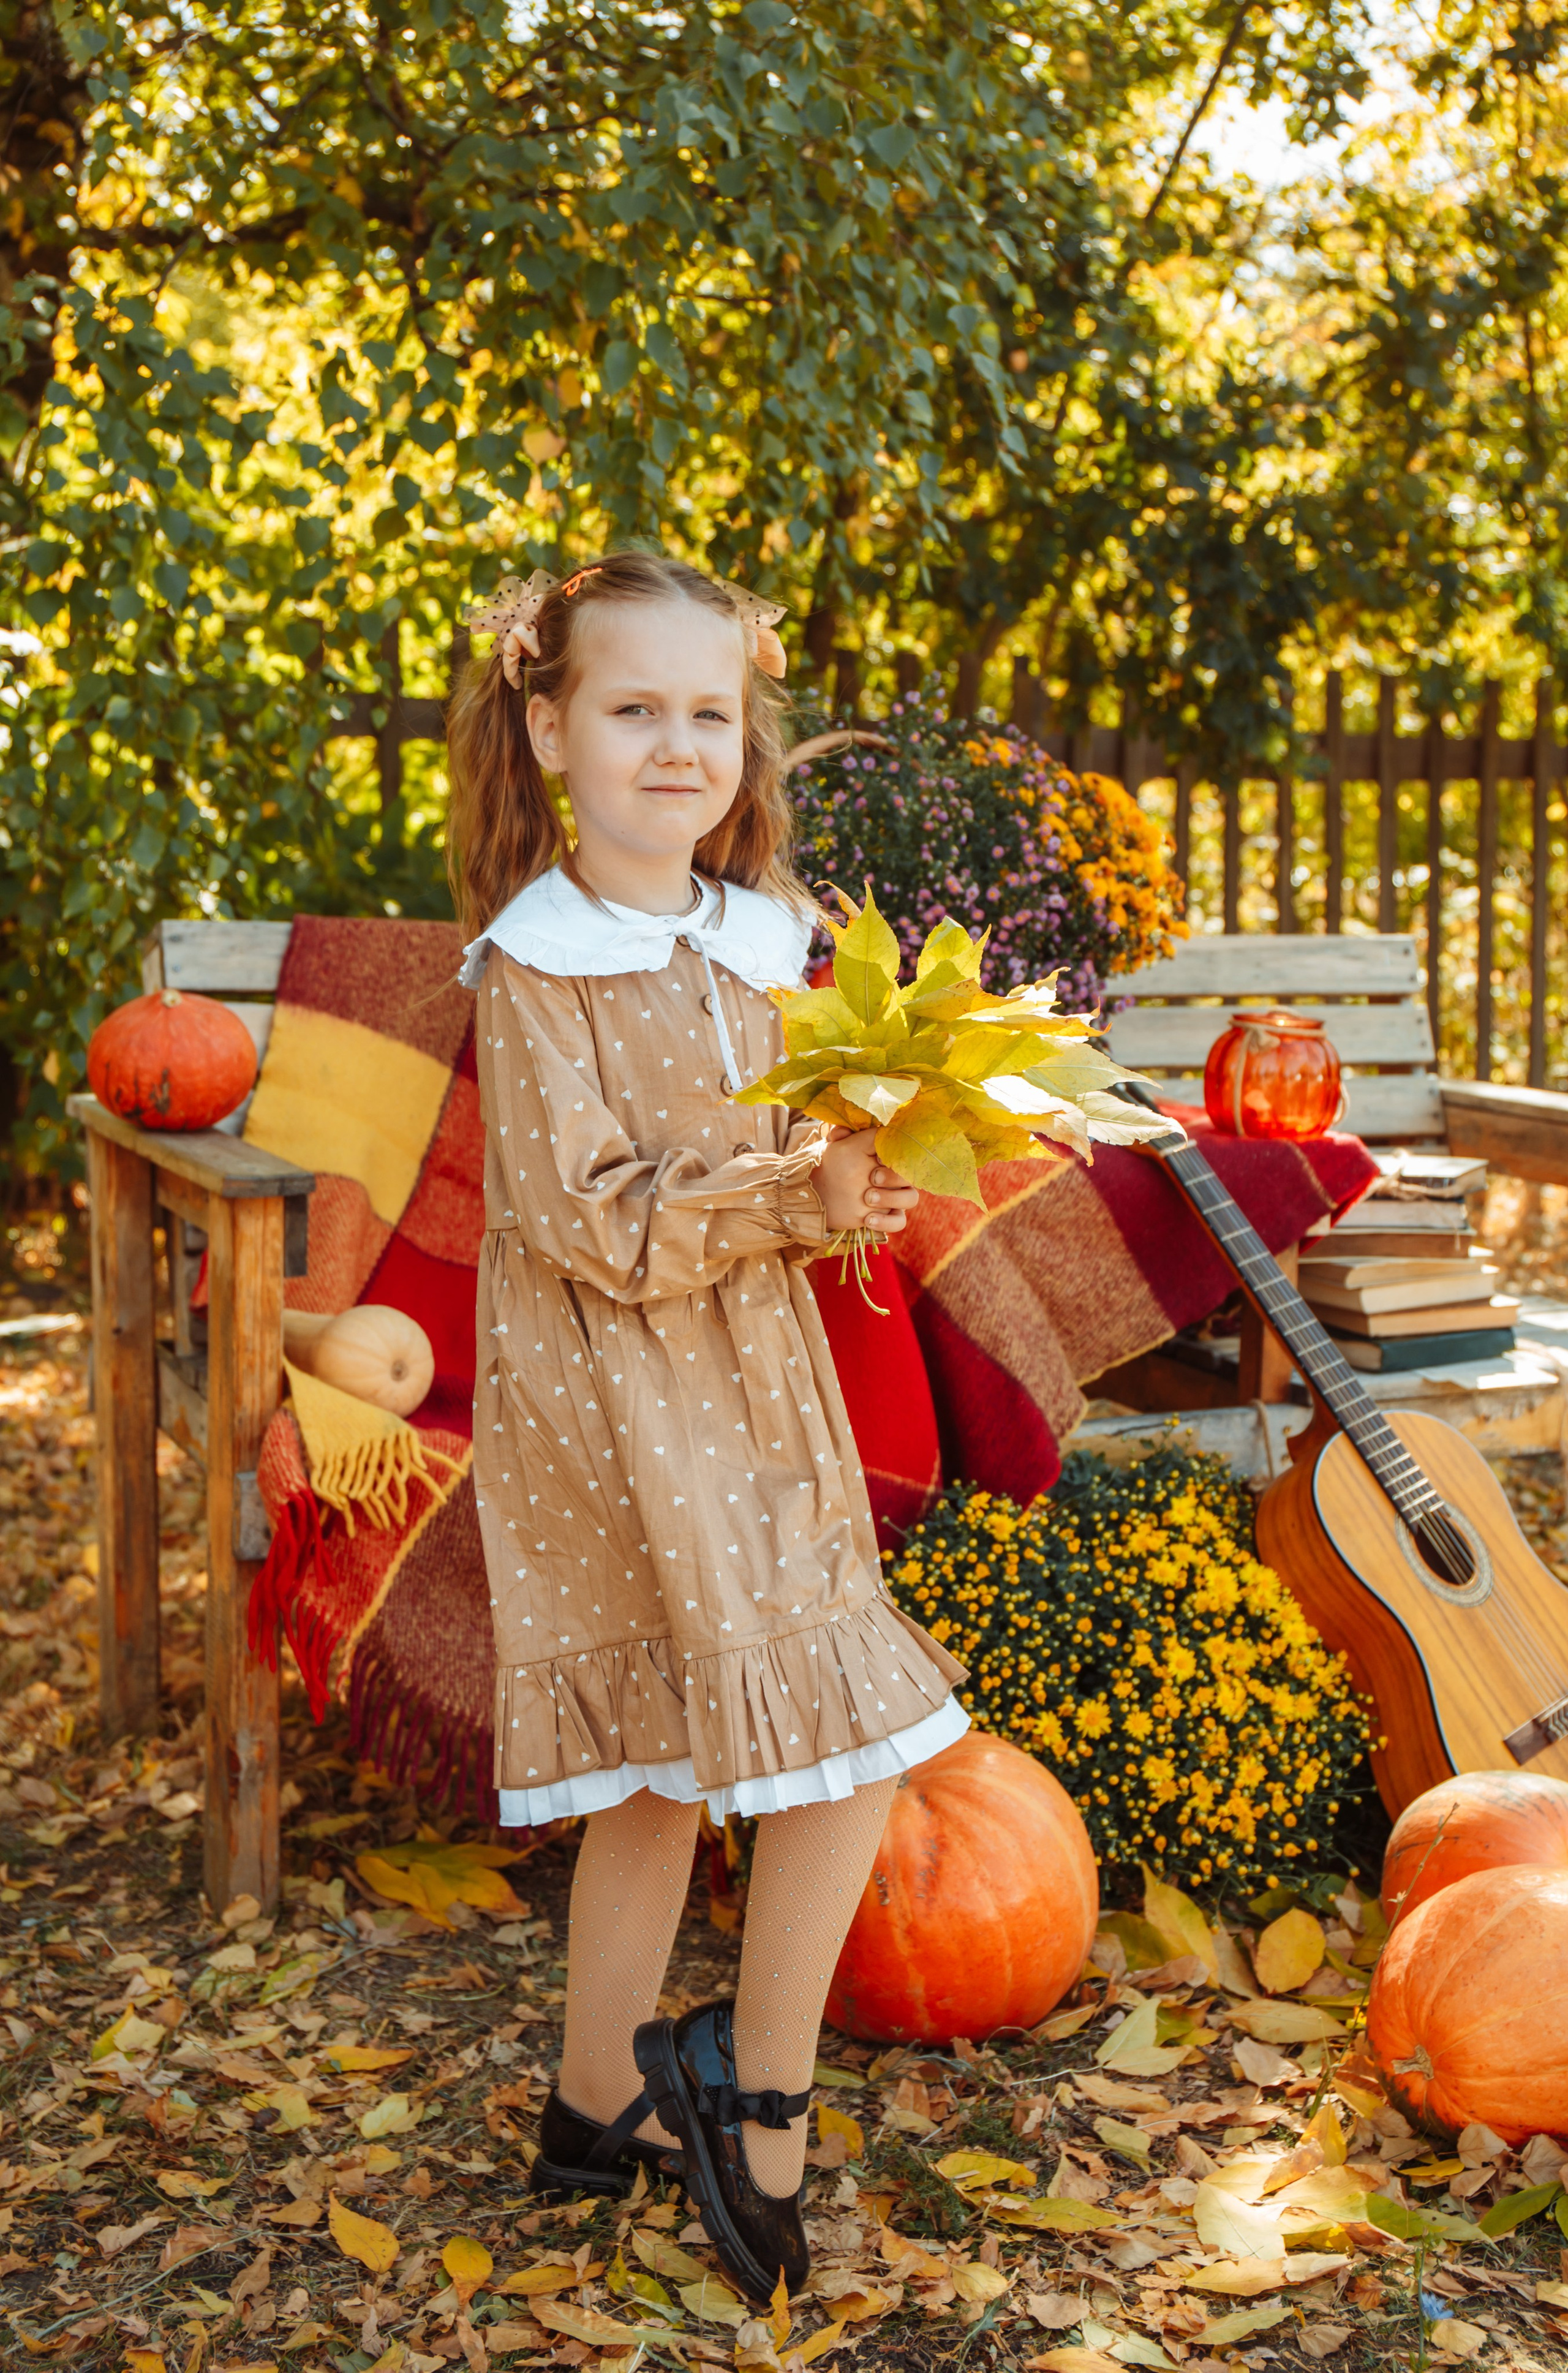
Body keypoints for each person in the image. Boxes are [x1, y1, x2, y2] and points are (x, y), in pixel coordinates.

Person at [447, 551, 968, 2304]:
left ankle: (598, 2106)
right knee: (816, 1747)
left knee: (695, 1763)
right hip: (618, 1405)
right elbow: (595, 1220)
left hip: (753, 1385)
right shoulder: (534, 967)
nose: (679, 746)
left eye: (710, 713)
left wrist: (850, 1187)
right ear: (550, 727)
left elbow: (795, 1157)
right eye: (635, 708)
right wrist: (784, 1192)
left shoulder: (759, 936)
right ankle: (759, 2105)